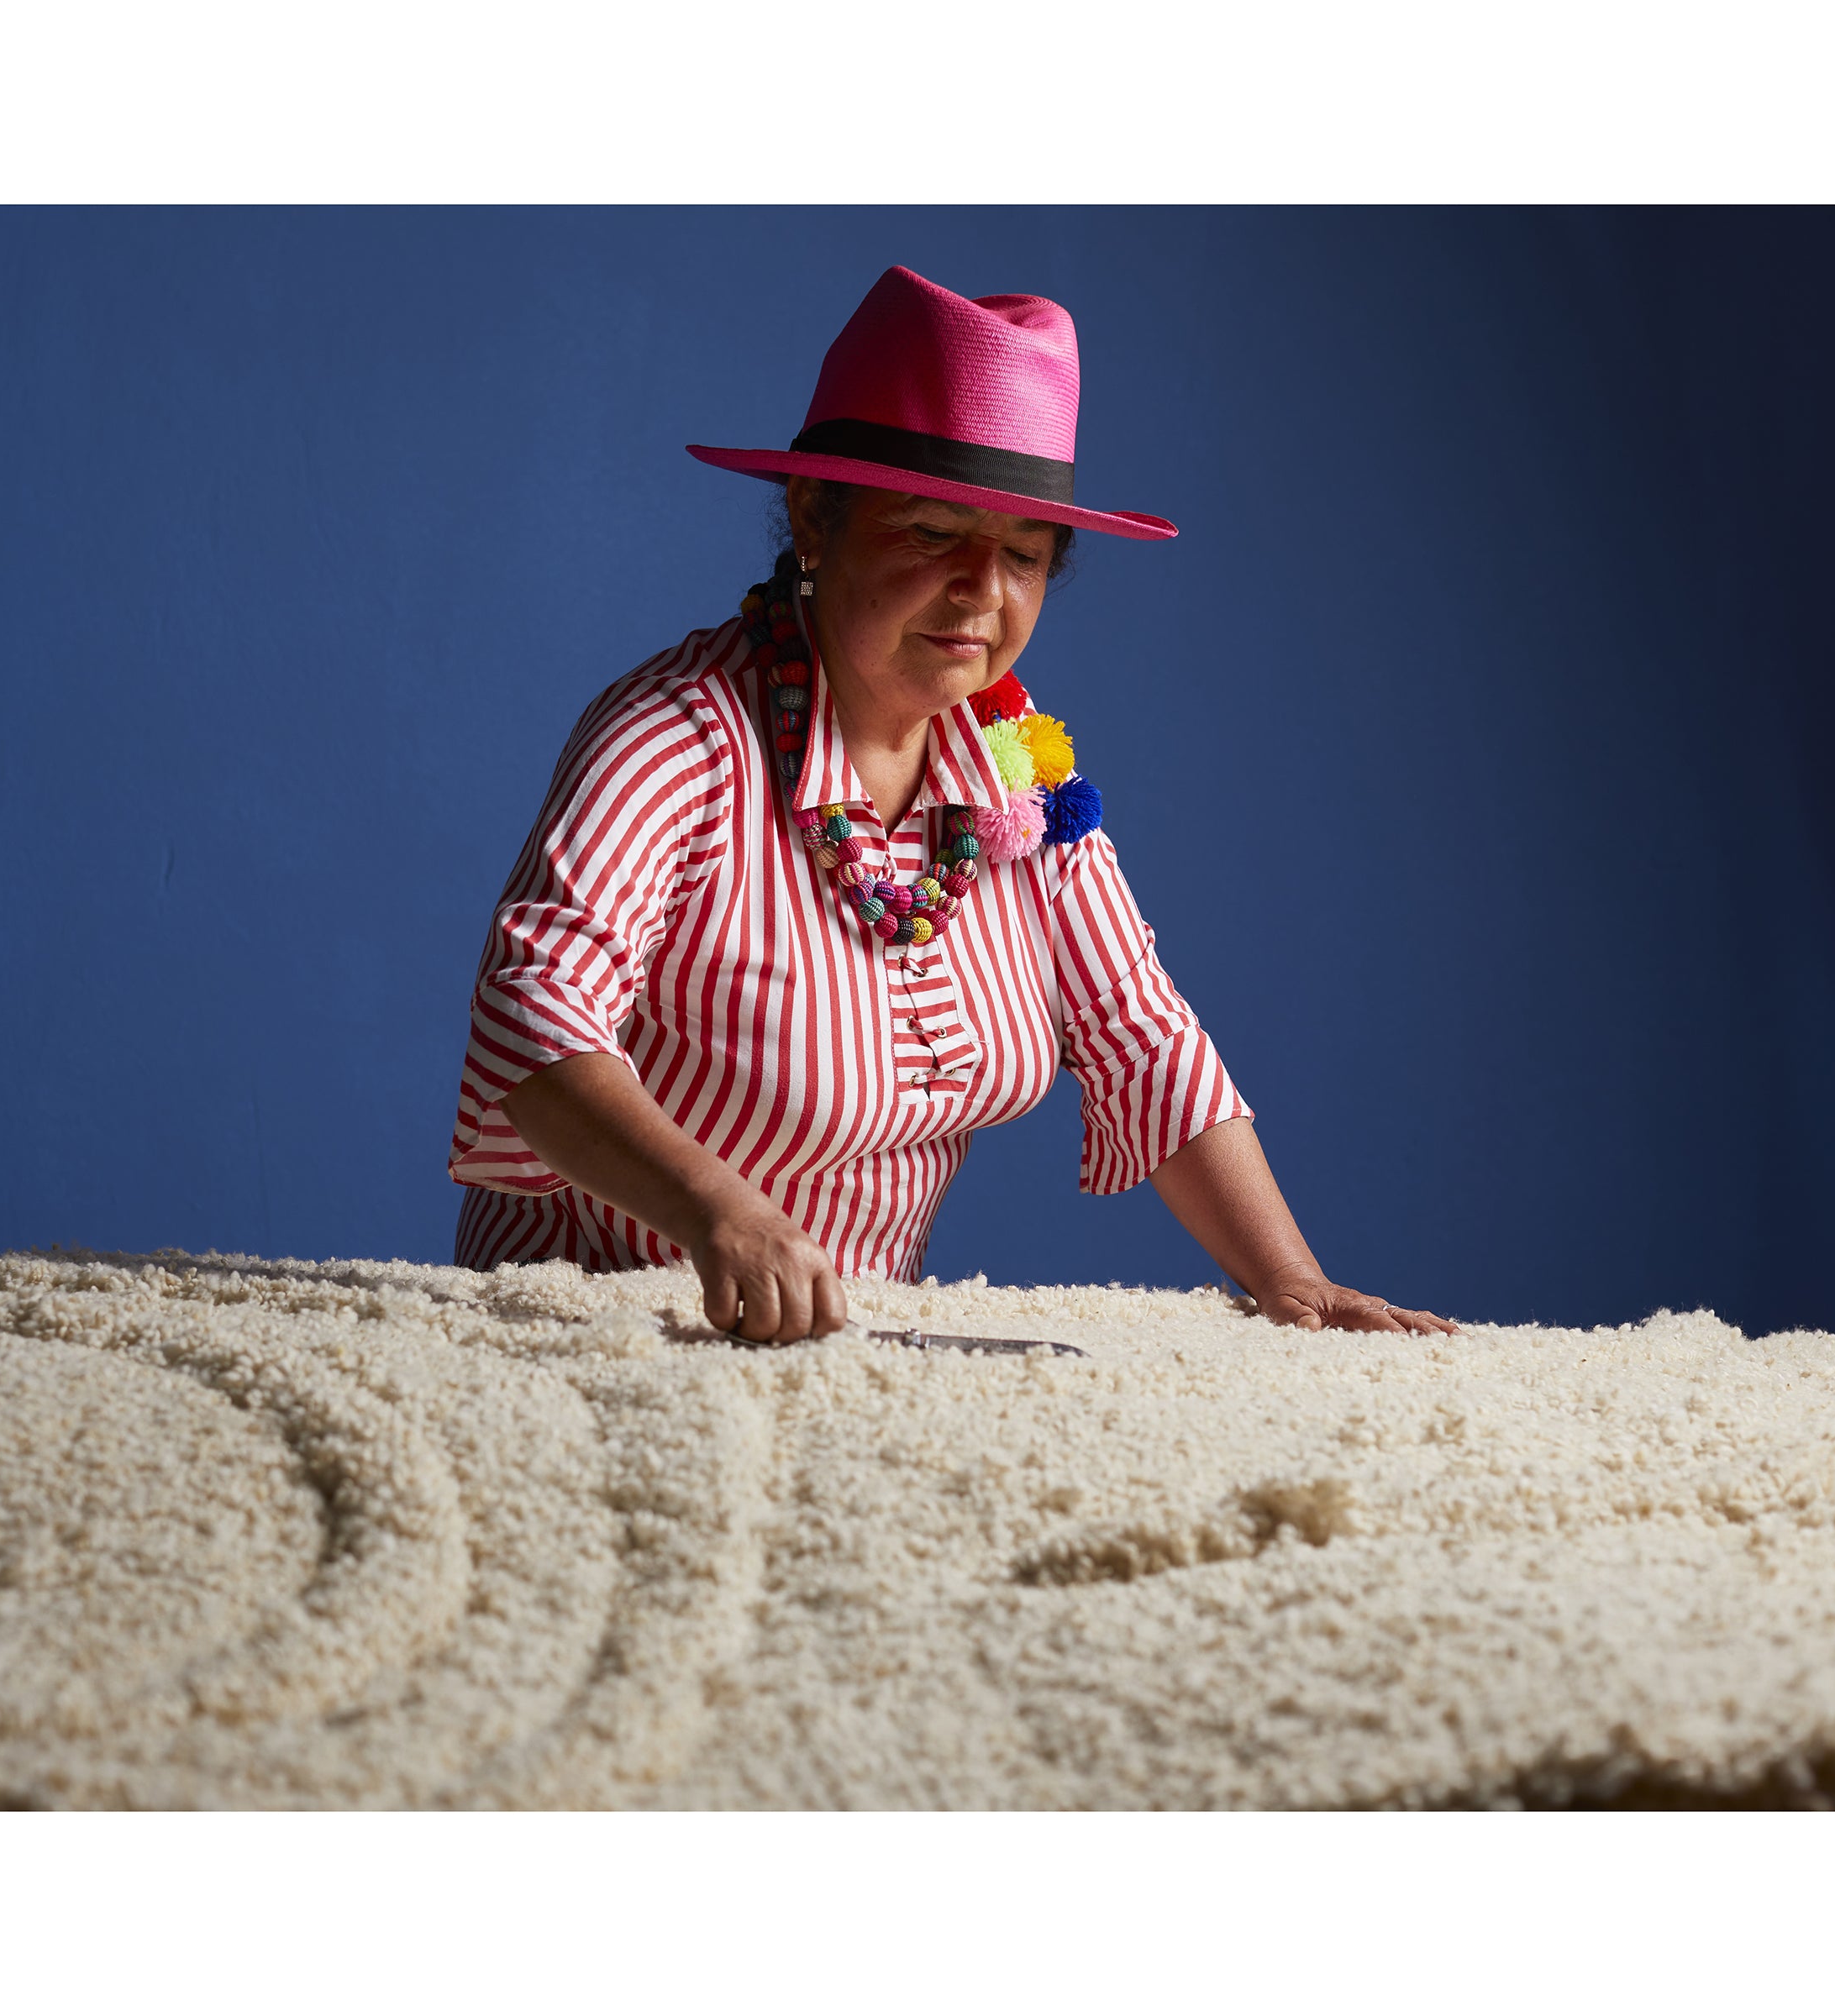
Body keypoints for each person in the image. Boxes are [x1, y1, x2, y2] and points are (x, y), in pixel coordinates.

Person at [450, 265, 1454, 1347]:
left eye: (1023, 555)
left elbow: (1141, 1032)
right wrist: (720, 1213)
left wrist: (1293, 1280)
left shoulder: (1016, 767)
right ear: (815, 517)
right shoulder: (678, 734)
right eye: (933, 534)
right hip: (594, 1328)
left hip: (855, 1352)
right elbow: (534, 1011)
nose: (983, 591)